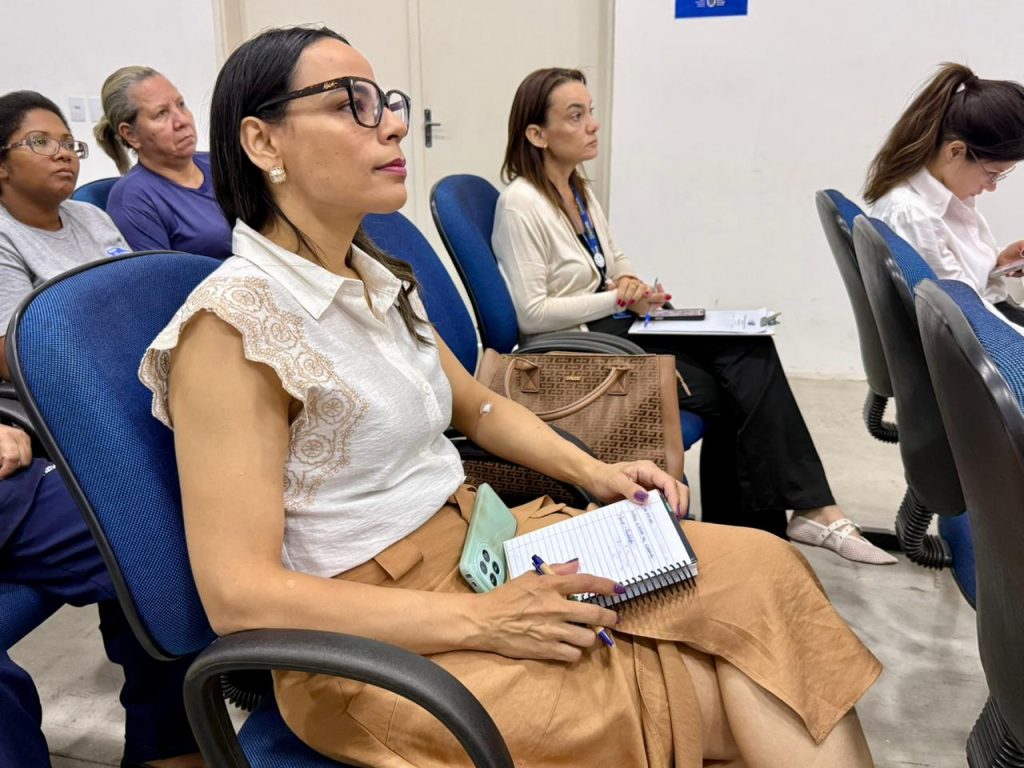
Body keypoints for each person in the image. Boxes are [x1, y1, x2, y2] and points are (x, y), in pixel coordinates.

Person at [139, 25, 882, 767]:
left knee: (766, 573)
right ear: (263, 143)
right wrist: (480, 621)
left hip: (482, 545)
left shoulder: (373, 275)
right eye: (350, 104)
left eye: (385, 101)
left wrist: (597, 475)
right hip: (372, 640)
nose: (392, 121)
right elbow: (239, 599)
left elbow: (478, 406)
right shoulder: (233, 328)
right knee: (734, 677)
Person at [492, 68, 896, 565]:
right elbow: (532, 316)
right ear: (537, 135)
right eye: (575, 116)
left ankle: (794, 518)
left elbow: (613, 262)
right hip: (577, 352)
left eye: (590, 111)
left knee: (750, 348)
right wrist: (616, 299)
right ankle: (783, 522)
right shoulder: (520, 204)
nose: (592, 125)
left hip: (614, 327)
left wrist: (634, 287)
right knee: (736, 388)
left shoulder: (577, 191)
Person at [0, 91, 201, 768]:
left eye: (67, 141)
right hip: (43, 429)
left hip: (114, 408)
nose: (62, 152)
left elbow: (138, 315)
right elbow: (21, 351)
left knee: (176, 516)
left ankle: (169, 739)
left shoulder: (89, 218)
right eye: (40, 142)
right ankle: (168, 742)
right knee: (146, 541)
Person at [865, 63, 1024, 325]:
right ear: (955, 151)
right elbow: (963, 317)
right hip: (982, 339)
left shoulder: (941, 201)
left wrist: (998, 263)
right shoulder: (914, 217)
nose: (992, 186)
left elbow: (959, 285)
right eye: (993, 173)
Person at [95, 67, 232, 260]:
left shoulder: (220, 163)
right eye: (161, 113)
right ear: (131, 134)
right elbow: (161, 282)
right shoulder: (132, 200)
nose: (182, 120)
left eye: (181, 104)